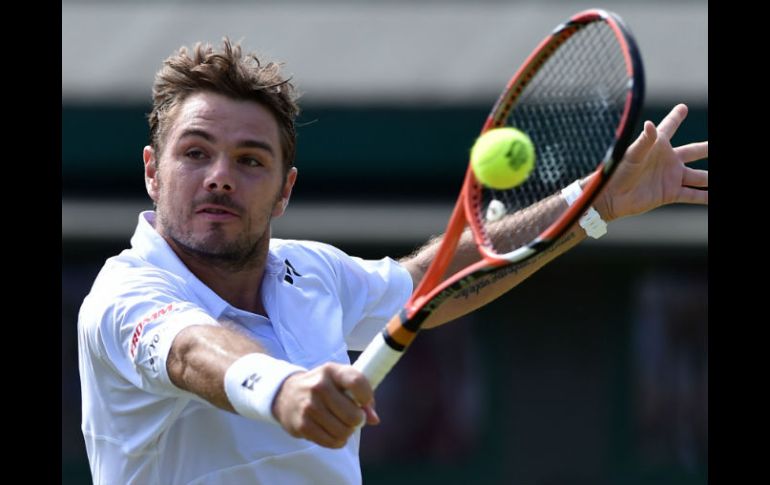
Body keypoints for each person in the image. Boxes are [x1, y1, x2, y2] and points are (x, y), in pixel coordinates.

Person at [77, 38, 708, 484]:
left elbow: (431, 283)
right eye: (195, 153)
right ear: (153, 173)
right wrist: (286, 387)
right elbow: (193, 350)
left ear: (285, 190)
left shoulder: (312, 272)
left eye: (250, 160)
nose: (220, 177)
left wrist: (588, 203)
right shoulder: (123, 295)